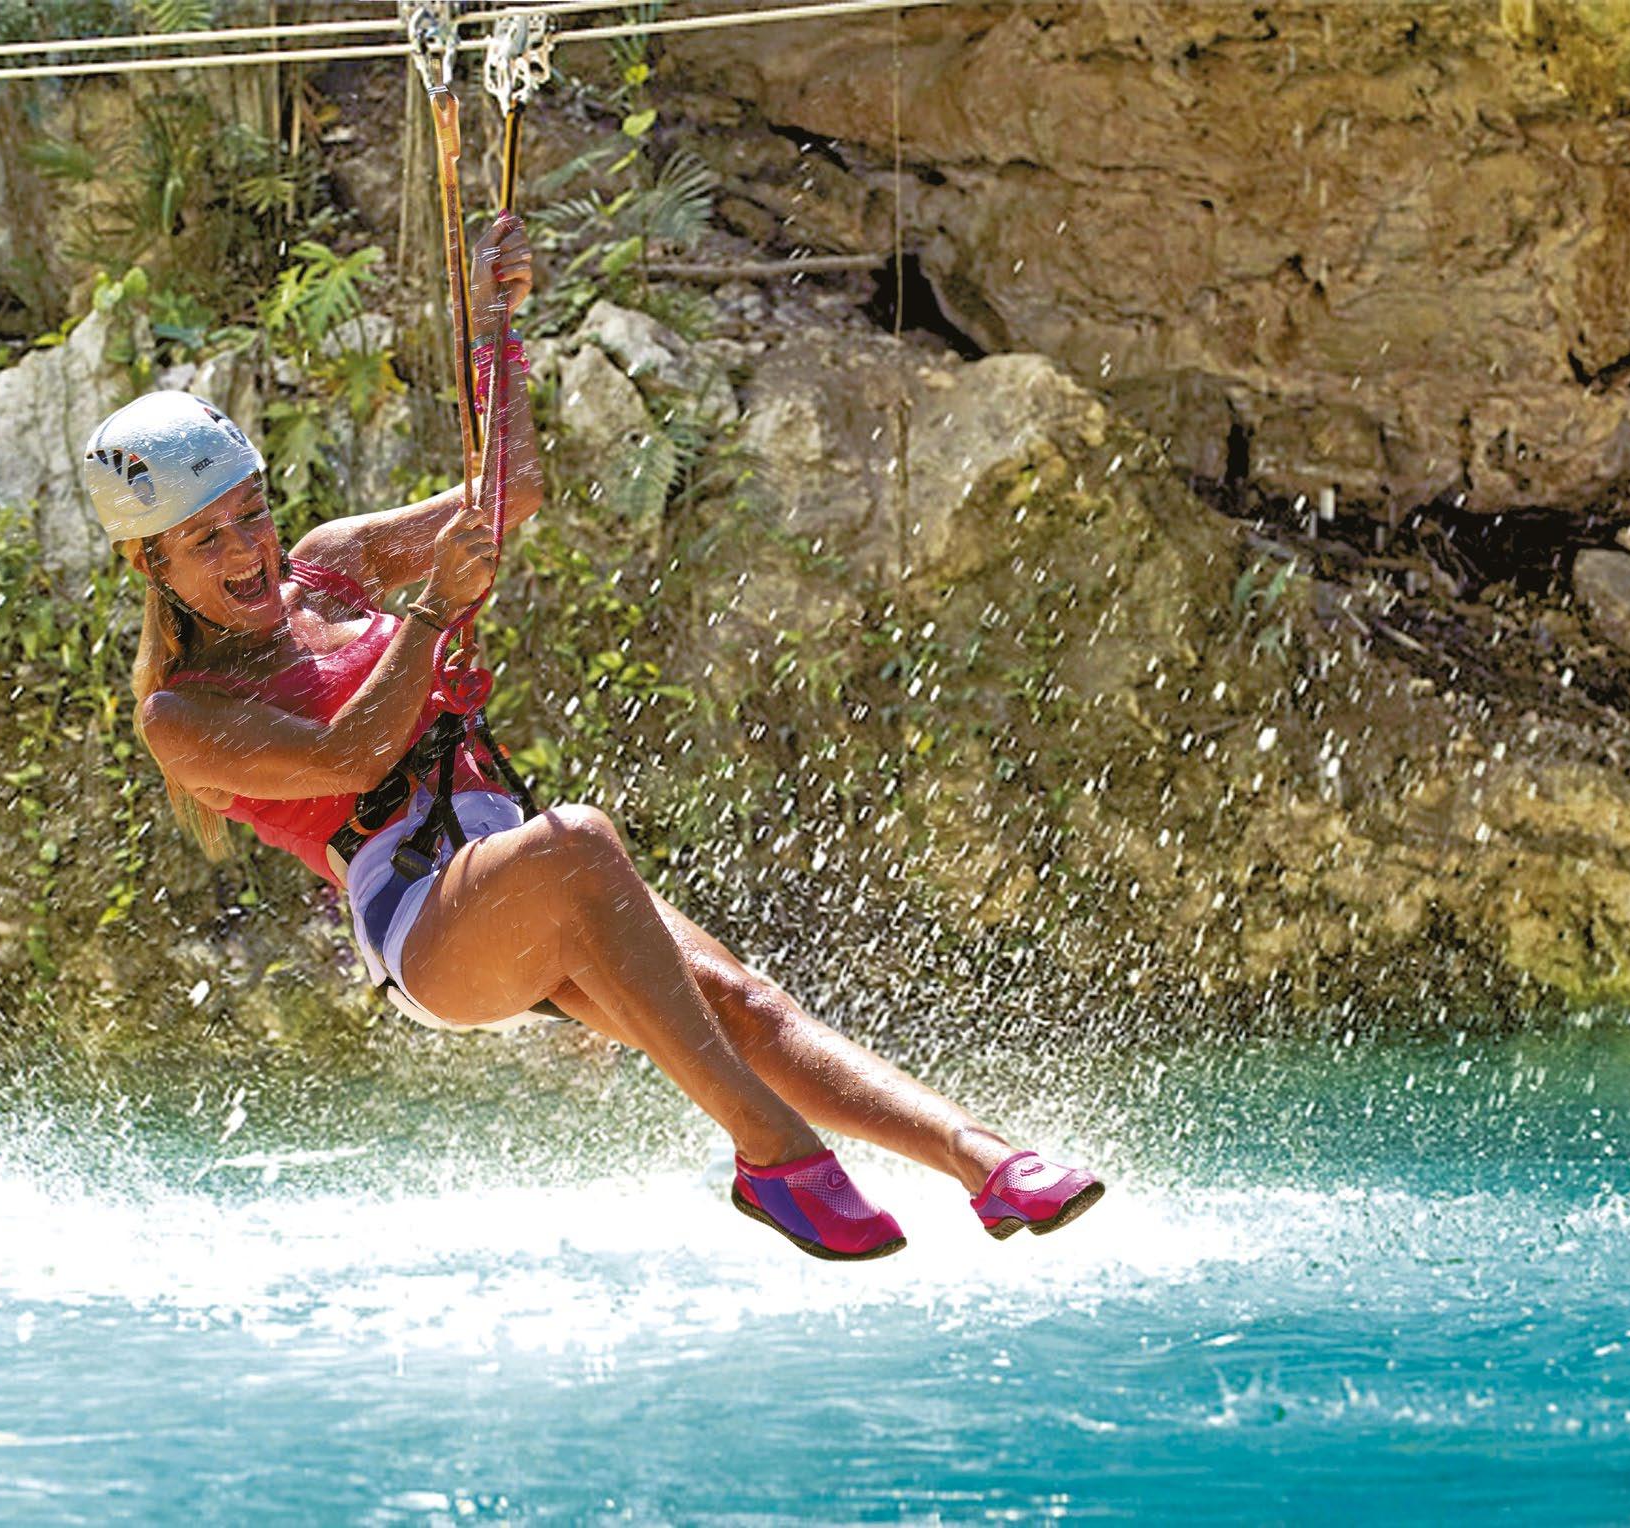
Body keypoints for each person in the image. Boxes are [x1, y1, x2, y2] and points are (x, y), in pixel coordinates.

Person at [78, 215, 1102, 1261]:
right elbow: (348, 756)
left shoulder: (334, 566)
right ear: (151, 564)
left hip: (509, 859)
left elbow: (507, 496)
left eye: (252, 514)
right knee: (576, 839)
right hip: (424, 922)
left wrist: (498, 333)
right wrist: (432, 613)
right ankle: (772, 1155)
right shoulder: (182, 714)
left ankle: (988, 1166)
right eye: (206, 539)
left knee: (742, 1003)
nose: (247, 550)